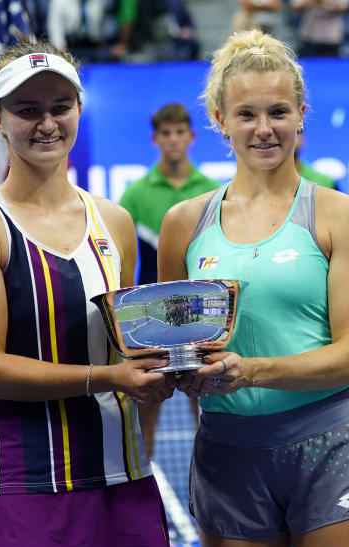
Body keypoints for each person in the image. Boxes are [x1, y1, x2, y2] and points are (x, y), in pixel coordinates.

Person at [0, 36, 174, 547]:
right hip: (21, 484)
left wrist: (167, 371)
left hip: (118, 478)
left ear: (78, 108)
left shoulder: (114, 222)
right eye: (27, 109)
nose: (47, 123)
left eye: (60, 106)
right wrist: (110, 377)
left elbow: (126, 345)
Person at [157, 29, 349, 547]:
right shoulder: (183, 225)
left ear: (301, 116)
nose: (264, 128)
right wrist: (167, 377)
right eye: (247, 114)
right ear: (219, 119)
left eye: (279, 112)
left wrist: (249, 371)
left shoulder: (341, 215)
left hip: (330, 451)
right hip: (227, 456)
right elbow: (171, 351)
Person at [119, 101, 219, 455]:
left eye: (180, 133)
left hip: (201, 318)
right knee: (147, 408)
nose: (173, 140)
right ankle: (142, 480)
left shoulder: (212, 190)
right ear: (155, 139)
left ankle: (211, 471)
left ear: (191, 137)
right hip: (150, 319)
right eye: (166, 133)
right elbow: (126, 263)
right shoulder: (134, 194)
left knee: (205, 402)